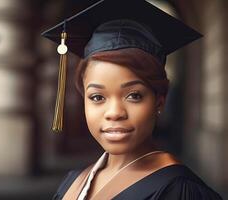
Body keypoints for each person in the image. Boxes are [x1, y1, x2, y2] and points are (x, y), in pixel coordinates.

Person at [42, 0, 223, 199]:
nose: (114, 113)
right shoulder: (73, 182)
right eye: (97, 97)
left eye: (134, 96)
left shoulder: (180, 191)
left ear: (159, 102)